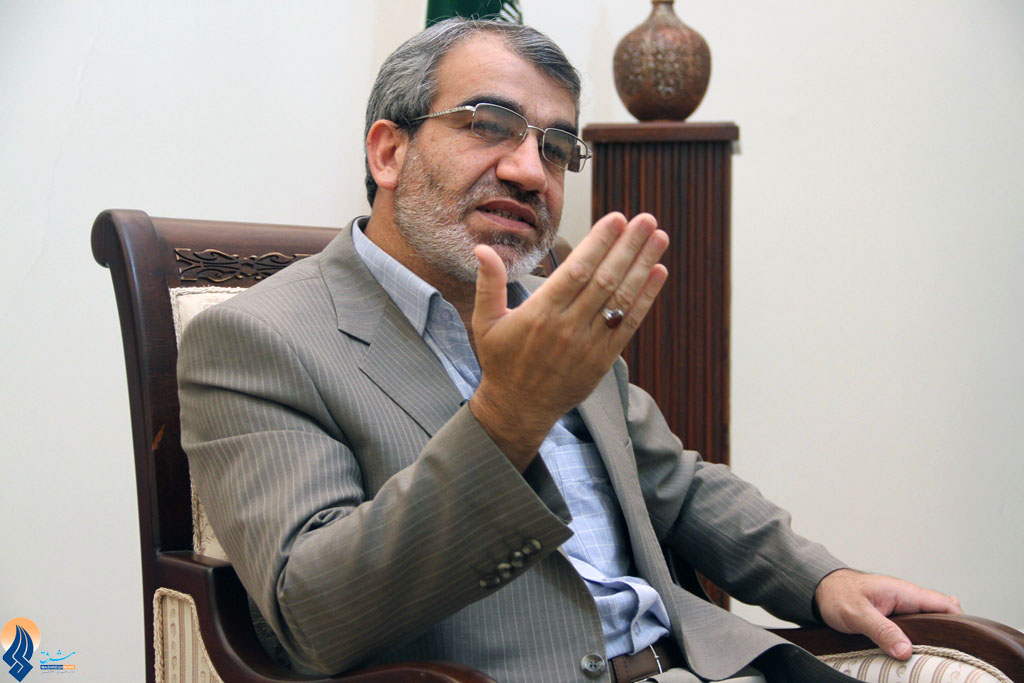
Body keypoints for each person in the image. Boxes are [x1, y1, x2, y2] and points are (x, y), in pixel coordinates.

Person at [177, 17, 961, 683]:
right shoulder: (255, 339)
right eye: (489, 123)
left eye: (556, 148)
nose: (530, 172)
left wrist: (822, 578)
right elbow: (314, 613)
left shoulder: (552, 311)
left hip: (697, 662)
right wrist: (505, 419)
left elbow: (676, 484)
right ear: (389, 152)